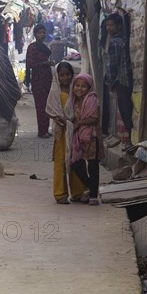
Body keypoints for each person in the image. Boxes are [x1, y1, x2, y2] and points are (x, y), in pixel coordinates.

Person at [46, 62, 86, 204]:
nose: (65, 78)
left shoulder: (75, 90)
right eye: (62, 75)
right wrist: (58, 118)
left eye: (68, 74)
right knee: (60, 162)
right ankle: (60, 194)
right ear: (57, 76)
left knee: (75, 159)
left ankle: (78, 192)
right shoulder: (54, 90)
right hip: (61, 132)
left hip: (74, 130)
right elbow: (50, 109)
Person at [68, 74, 104, 205]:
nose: (79, 89)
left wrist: (79, 124)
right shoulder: (73, 100)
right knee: (75, 162)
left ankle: (93, 195)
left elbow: (94, 118)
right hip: (78, 137)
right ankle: (90, 187)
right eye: (77, 85)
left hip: (92, 137)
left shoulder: (92, 99)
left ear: (89, 88)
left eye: (83, 86)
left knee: (93, 166)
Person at [104, 12, 134, 144]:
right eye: (107, 25)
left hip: (121, 81)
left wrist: (110, 82)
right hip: (128, 80)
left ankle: (130, 142)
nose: (108, 28)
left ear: (119, 26)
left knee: (125, 111)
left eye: (111, 25)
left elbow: (112, 65)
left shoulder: (115, 43)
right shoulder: (124, 40)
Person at [26, 23, 54, 138]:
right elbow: (30, 64)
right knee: (40, 106)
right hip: (38, 80)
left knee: (47, 105)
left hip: (47, 79)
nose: (42, 35)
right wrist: (45, 63)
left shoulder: (43, 46)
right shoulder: (32, 47)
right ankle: (42, 131)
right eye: (39, 33)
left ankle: (45, 129)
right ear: (35, 34)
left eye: (43, 32)